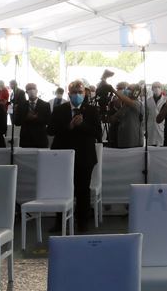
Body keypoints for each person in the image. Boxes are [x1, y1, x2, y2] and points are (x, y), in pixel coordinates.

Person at [48, 80, 102, 230]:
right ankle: (60, 222)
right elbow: (50, 130)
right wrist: (69, 126)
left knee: (82, 189)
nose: (77, 95)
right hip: (63, 156)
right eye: (74, 92)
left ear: (85, 94)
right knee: (61, 189)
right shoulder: (59, 110)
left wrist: (82, 125)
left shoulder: (92, 110)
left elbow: (98, 133)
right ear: (69, 93)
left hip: (85, 156)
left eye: (80, 92)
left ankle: (82, 221)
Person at [13, 83, 51, 148]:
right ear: (26, 92)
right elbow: (17, 122)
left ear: (37, 90)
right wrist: (26, 118)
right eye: (29, 89)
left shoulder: (45, 105)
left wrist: (37, 118)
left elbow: (49, 121)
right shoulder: (21, 105)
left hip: (41, 139)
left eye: (33, 88)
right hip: (26, 140)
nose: (32, 90)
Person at [144, 82, 166, 147]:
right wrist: (145, 130)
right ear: (152, 89)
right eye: (155, 87)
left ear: (161, 89)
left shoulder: (166, 100)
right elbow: (145, 117)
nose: (157, 89)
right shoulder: (148, 101)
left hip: (162, 127)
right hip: (151, 128)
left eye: (159, 87)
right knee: (151, 148)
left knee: (162, 148)